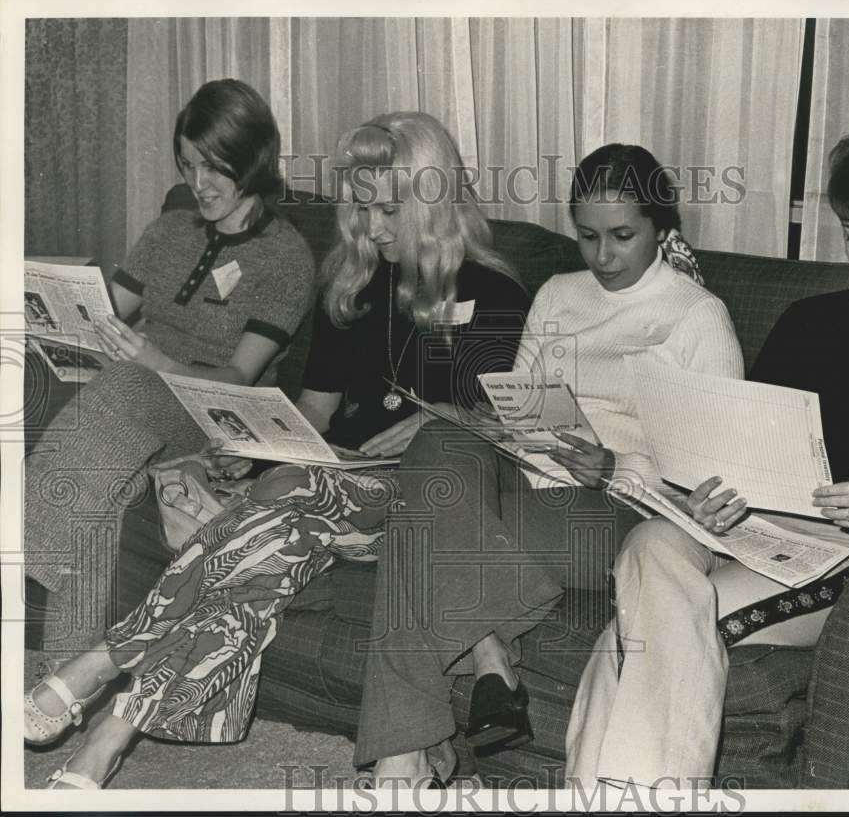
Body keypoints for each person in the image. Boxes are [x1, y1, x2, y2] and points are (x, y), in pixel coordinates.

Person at [23, 110, 532, 790]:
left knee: (277, 501)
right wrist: (258, 443)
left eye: (391, 210)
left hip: (414, 498)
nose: (375, 227)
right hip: (327, 478)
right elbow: (316, 409)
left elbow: (502, 423)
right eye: (363, 209)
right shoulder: (351, 286)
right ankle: (107, 741)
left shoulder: (494, 291)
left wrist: (439, 419)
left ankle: (100, 665)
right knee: (259, 556)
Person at [564, 119, 849, 789]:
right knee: (649, 544)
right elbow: (743, 436)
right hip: (750, 527)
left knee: (631, 639)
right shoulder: (807, 320)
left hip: (848, 549)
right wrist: (711, 491)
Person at [353, 143, 745, 787]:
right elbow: (518, 405)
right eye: (587, 236)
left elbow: (713, 478)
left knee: (418, 529)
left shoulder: (697, 316)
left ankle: (410, 750)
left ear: (661, 228)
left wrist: (614, 466)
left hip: (616, 507)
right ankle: (480, 664)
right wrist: (498, 430)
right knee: (438, 444)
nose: (603, 256)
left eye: (622, 236)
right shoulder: (559, 293)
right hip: (528, 474)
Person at [24, 79, 317, 654]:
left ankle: (21, 547)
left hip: (208, 412)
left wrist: (154, 360)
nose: (197, 183)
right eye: (187, 164)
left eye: (214, 167)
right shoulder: (168, 233)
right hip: (129, 393)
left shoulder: (286, 258)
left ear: (252, 161)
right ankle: (66, 673)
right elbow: (101, 314)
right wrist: (49, 324)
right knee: (106, 484)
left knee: (125, 386)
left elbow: (238, 381)